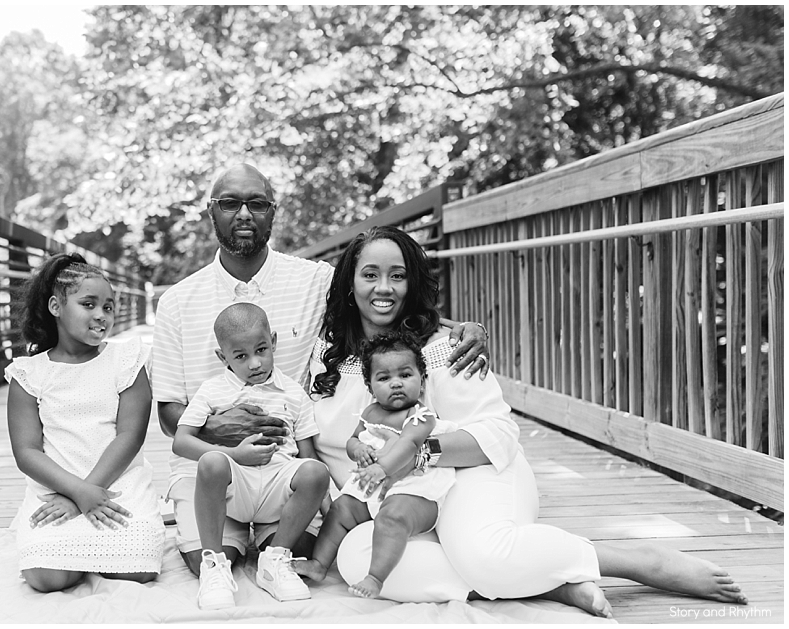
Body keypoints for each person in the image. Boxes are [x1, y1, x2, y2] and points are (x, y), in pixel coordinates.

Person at [306, 225, 748, 617]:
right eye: (370, 274)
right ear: (349, 285)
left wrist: (415, 453)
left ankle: (637, 562)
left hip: (471, 476)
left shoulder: (446, 348)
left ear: (411, 284)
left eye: (397, 275)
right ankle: (552, 581)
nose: (384, 287)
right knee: (355, 563)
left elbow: (497, 434)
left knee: (483, 554)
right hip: (389, 505)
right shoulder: (322, 362)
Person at [151, 163, 490, 576]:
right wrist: (216, 429)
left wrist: (462, 328)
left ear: (273, 212)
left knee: (293, 553)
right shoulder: (177, 302)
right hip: (212, 465)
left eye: (256, 204)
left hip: (287, 466)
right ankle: (228, 536)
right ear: (211, 211)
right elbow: (169, 412)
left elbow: (377, 294)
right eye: (229, 203)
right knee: (214, 560)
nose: (243, 214)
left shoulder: (316, 280)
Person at [4, 253, 164, 593]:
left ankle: (91, 554)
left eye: (108, 307)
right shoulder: (29, 374)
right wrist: (76, 493)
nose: (100, 315)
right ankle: (75, 553)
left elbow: (131, 435)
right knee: (44, 576)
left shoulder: (127, 359)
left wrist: (91, 492)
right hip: (58, 488)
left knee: (141, 566)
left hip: (118, 482)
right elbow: (26, 451)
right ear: (55, 307)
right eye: (88, 304)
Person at [172, 303, 330, 609]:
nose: (255, 363)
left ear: (273, 341)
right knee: (212, 461)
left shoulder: (293, 392)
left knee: (315, 471)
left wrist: (324, 500)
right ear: (223, 357)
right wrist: (233, 453)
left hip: (277, 489)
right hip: (235, 489)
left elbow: (307, 453)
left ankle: (275, 560)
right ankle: (214, 565)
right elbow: (181, 442)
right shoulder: (213, 390)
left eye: (261, 350)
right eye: (241, 356)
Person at [293, 332, 456, 599]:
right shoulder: (370, 412)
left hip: (414, 490)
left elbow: (409, 445)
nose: (396, 384)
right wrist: (359, 449)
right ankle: (320, 564)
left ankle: (375, 577)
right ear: (370, 386)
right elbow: (352, 440)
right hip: (373, 488)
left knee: (391, 517)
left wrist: (382, 468)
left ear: (422, 381)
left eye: (405, 375)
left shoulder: (420, 414)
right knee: (340, 509)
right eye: (384, 378)